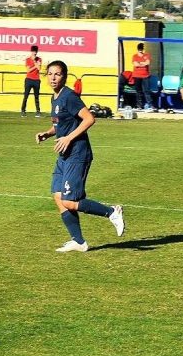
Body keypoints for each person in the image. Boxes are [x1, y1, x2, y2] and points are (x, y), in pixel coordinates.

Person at [36, 60, 124, 252]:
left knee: (69, 200)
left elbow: (89, 119)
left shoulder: (69, 96)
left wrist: (68, 138)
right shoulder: (55, 98)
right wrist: (48, 133)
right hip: (64, 154)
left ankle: (111, 212)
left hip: (77, 153)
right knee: (59, 197)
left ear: (64, 76)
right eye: (50, 73)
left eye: (57, 74)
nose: (53, 77)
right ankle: (79, 241)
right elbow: (61, 124)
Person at [21, 45, 44, 117]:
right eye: (33, 51)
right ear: (31, 51)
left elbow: (39, 68)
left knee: (36, 96)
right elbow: (28, 70)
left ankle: (38, 111)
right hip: (29, 79)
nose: (35, 53)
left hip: (36, 80)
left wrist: (36, 63)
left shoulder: (39, 59)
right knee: (26, 95)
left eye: (36, 51)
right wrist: (35, 65)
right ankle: (23, 110)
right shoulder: (28, 59)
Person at [129, 43, 152, 111]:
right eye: (139, 49)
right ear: (138, 49)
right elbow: (135, 64)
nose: (140, 51)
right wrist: (143, 63)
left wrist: (140, 63)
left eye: (141, 49)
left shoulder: (147, 55)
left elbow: (148, 63)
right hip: (137, 76)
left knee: (146, 91)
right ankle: (139, 106)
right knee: (138, 91)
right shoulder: (135, 56)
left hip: (145, 76)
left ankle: (150, 105)